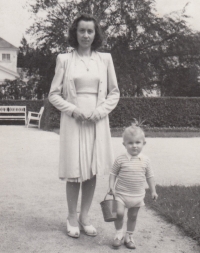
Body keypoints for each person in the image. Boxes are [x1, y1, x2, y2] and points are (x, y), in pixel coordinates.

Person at [48, 13, 120, 238]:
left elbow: (114, 92)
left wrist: (99, 112)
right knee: (74, 171)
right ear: (75, 33)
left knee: (92, 169)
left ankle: (84, 217)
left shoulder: (105, 59)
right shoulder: (64, 59)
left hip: (97, 122)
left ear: (95, 34)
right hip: (74, 121)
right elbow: (53, 94)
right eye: (82, 30)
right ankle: (71, 217)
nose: (86, 35)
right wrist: (73, 110)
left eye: (90, 31)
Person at [108, 120, 158, 249]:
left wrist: (153, 190)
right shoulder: (120, 159)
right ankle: (118, 234)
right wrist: (111, 186)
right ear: (124, 144)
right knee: (118, 213)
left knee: (133, 216)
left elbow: (150, 176)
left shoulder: (146, 160)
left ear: (143, 143)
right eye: (130, 143)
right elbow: (113, 173)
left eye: (137, 142)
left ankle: (129, 236)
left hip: (137, 195)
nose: (134, 146)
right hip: (121, 194)